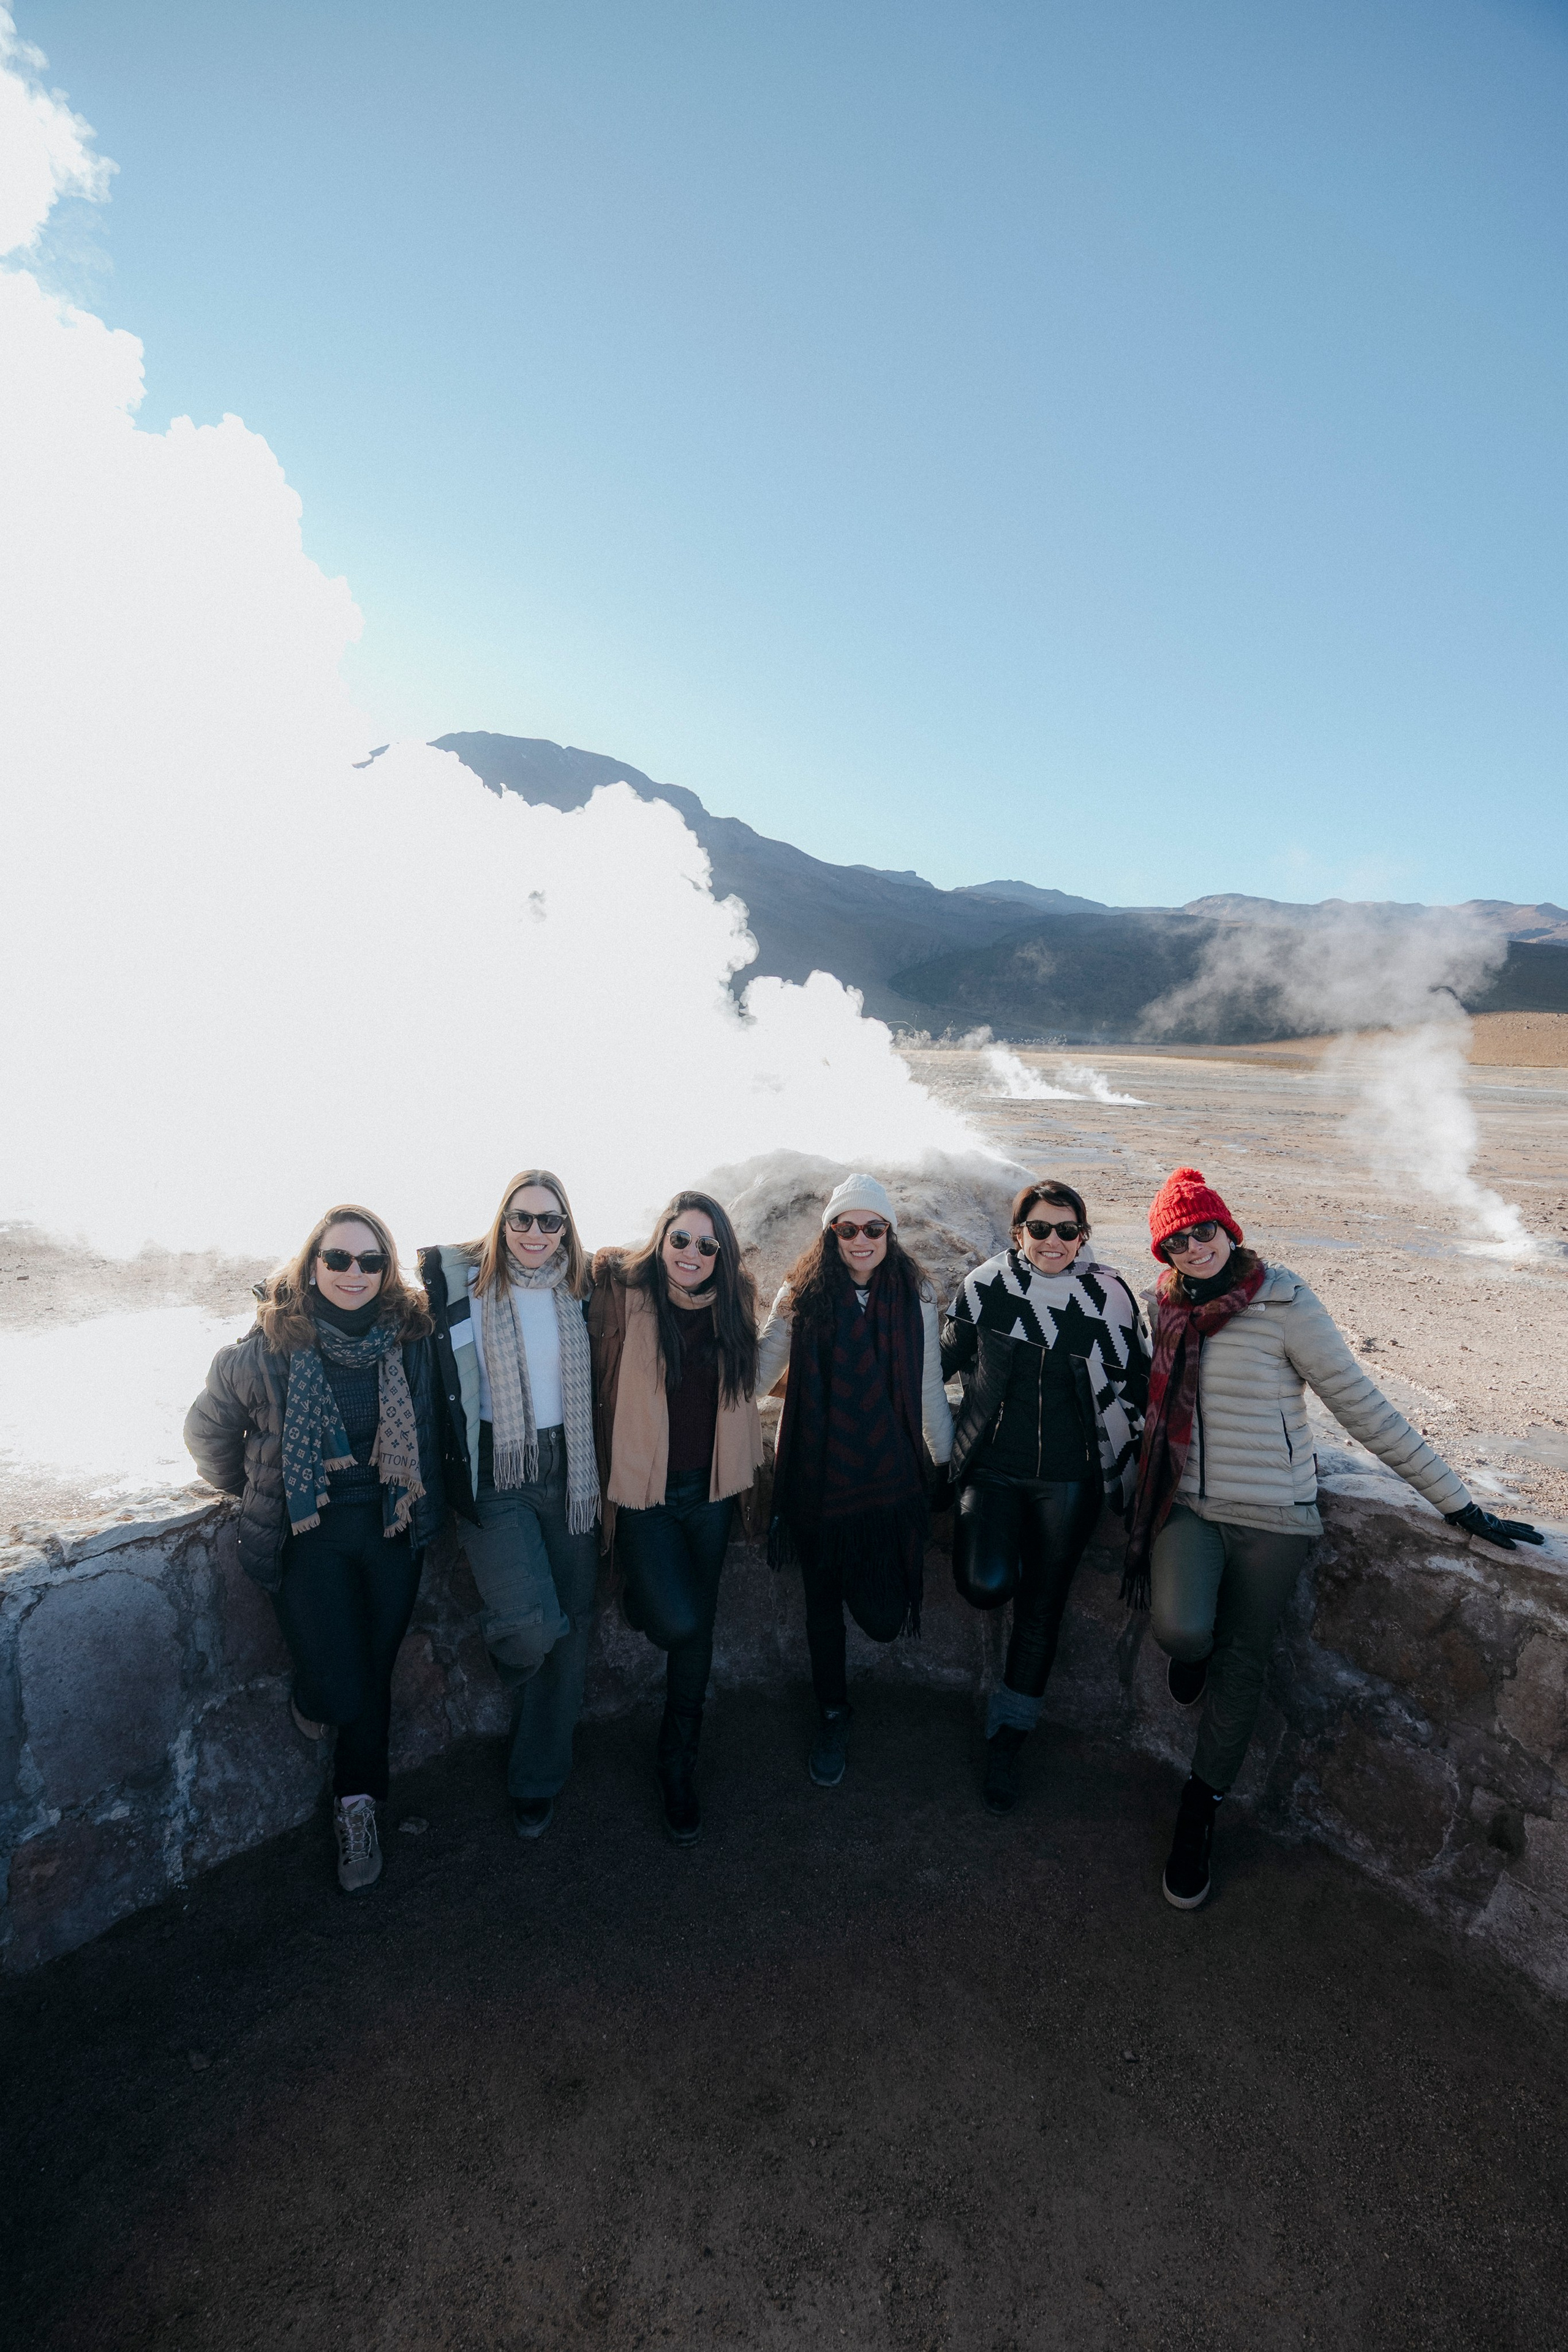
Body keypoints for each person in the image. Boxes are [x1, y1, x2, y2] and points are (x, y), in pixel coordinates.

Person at [1125, 1166, 1544, 1912]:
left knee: (1243, 1666)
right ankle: (1193, 1654)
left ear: (1229, 1229)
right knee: (1181, 1629)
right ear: (1163, 1251)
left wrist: (1458, 1504)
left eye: (1204, 1231)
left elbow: (1363, 1406)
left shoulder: (1284, 1301)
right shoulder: (1162, 1309)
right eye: (1176, 1239)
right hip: (1188, 1504)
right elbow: (1141, 1401)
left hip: (1273, 1517)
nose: (1193, 1248)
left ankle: (1200, 1810)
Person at [184, 1205, 445, 1893]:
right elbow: (208, 1431)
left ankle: (356, 1811)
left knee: (373, 1678)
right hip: (310, 1538)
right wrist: (261, 1488)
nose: (353, 1274)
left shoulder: (410, 1338)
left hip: (391, 1528)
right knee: (341, 1686)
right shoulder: (269, 1345)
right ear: (311, 1266)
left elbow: (434, 1424)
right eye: (337, 1260)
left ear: (387, 1270)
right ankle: (317, 1695)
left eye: (370, 1262)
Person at [943, 1179, 1149, 1814]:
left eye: (1067, 1230)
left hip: (1070, 1478)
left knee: (1042, 1610)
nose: (1053, 1241)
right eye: (1040, 1228)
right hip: (994, 1469)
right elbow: (939, 1365)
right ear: (1017, 1233)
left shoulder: (1108, 1295)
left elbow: (1139, 1381)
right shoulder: (985, 1288)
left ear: (1083, 1235)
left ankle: (1009, 1736)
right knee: (985, 1581)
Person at [420, 1171, 598, 1840]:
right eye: (520, 1219)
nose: (533, 1233)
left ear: (566, 1229)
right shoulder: (463, 1286)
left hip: (571, 1469)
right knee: (531, 1626)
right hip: (498, 1468)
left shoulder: (583, 1288)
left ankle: (536, 1777)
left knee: (573, 1627)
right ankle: (520, 1646)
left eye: (549, 1221)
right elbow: (385, 1317)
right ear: (501, 1223)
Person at [761, 1174, 954, 1789]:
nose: (862, 1239)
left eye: (875, 1228)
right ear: (831, 1234)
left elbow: (926, 1386)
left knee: (882, 1616)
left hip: (888, 1479)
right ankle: (832, 1711)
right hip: (818, 1479)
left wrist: (945, 1462)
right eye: (848, 1228)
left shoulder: (914, 1293)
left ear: (889, 1233)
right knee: (821, 1608)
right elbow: (759, 1365)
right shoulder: (802, 1293)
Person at [588, 1192, 763, 1845]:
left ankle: (677, 1760)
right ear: (659, 1239)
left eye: (707, 1245)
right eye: (680, 1240)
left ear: (723, 1255)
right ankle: (640, 1597)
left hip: (711, 1490)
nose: (691, 1254)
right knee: (679, 1619)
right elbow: (539, 1257)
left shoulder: (736, 1304)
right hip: (645, 1495)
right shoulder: (622, 1292)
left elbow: (757, 1372)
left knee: (698, 1627)